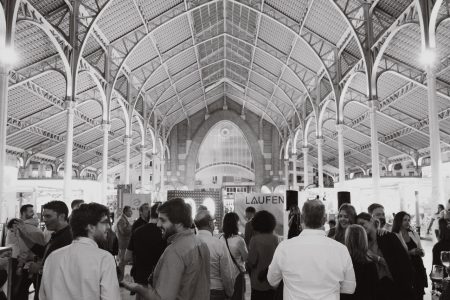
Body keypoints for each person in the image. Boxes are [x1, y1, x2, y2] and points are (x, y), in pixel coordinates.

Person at [122, 198, 210, 300]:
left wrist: (138, 288)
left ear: (178, 223)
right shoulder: (201, 243)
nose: (158, 224)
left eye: (163, 220)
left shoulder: (175, 251)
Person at [267, 200, 355, 300]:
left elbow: (272, 281)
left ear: (301, 219)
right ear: (324, 219)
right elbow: (349, 288)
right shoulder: (341, 250)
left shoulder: (284, 247)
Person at [39, 203, 120, 300]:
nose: (108, 227)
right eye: (105, 222)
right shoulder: (104, 258)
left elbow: (43, 296)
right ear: (90, 227)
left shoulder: (53, 256)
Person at [17, 200, 73, 299]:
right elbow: (43, 251)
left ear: (62, 216)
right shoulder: (57, 235)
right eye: (44, 216)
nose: (44, 220)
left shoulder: (68, 237)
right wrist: (24, 237)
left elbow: (66, 269)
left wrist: (39, 269)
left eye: (48, 216)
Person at [356, 212, 413, 300]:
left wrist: (377, 258)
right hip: (375, 290)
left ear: (371, 220)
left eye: (362, 224)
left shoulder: (388, 237)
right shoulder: (363, 243)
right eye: (358, 226)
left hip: (394, 287)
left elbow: (403, 263)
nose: (361, 227)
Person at [6, 205, 45, 300]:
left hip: (20, 263)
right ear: (23, 213)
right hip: (33, 264)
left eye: (33, 211)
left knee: (18, 291)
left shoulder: (21, 228)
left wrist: (19, 265)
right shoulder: (36, 230)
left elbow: (21, 249)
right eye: (31, 211)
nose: (34, 214)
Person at [125, 204, 166, 292]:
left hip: (140, 277)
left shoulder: (137, 231)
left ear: (150, 214)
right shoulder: (165, 234)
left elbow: (127, 256)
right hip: (159, 278)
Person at [195, 210, 234, 300]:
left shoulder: (189, 243)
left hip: (194, 291)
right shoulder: (218, 244)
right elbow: (227, 273)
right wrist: (229, 292)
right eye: (213, 221)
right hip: (215, 291)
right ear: (210, 223)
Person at [392, 211, 427, 300]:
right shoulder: (394, 235)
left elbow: (422, 250)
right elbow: (395, 255)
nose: (407, 222)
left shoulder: (413, 233)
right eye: (405, 220)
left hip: (418, 266)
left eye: (408, 220)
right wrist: (410, 252)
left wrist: (420, 252)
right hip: (405, 268)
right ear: (398, 221)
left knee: (419, 292)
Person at [247, 210, 279, 300]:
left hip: (258, 282)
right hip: (272, 281)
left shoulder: (255, 240)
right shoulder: (275, 239)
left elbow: (252, 262)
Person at [341, 224, 378, 300]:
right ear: (364, 239)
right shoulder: (370, 264)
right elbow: (375, 291)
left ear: (347, 238)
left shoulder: (342, 262)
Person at [220, 212, 248, 300]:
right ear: (235, 224)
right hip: (237, 275)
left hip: (225, 275)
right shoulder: (239, 240)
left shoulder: (221, 239)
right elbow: (246, 258)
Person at [116, 205, 132, 280]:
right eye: (130, 211)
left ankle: (120, 279)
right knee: (122, 262)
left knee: (123, 262)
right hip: (123, 244)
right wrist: (132, 227)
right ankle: (119, 279)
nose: (131, 212)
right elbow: (123, 231)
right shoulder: (122, 220)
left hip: (124, 243)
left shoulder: (124, 219)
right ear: (125, 212)